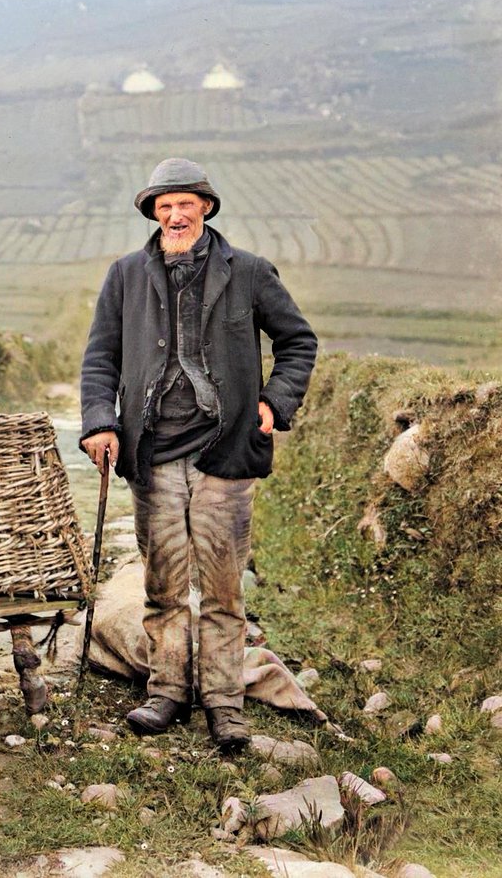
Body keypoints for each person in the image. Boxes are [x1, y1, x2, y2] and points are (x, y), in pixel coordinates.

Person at [79, 158, 317, 752]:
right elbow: (101, 357)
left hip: (225, 450)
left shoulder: (249, 272)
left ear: (206, 207)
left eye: (185, 204)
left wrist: (275, 402)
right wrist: (101, 422)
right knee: (162, 582)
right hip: (154, 452)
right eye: (165, 206)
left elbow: (298, 341)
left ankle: (223, 702)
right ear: (153, 214)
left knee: (222, 586)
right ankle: (166, 691)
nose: (175, 215)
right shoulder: (126, 275)